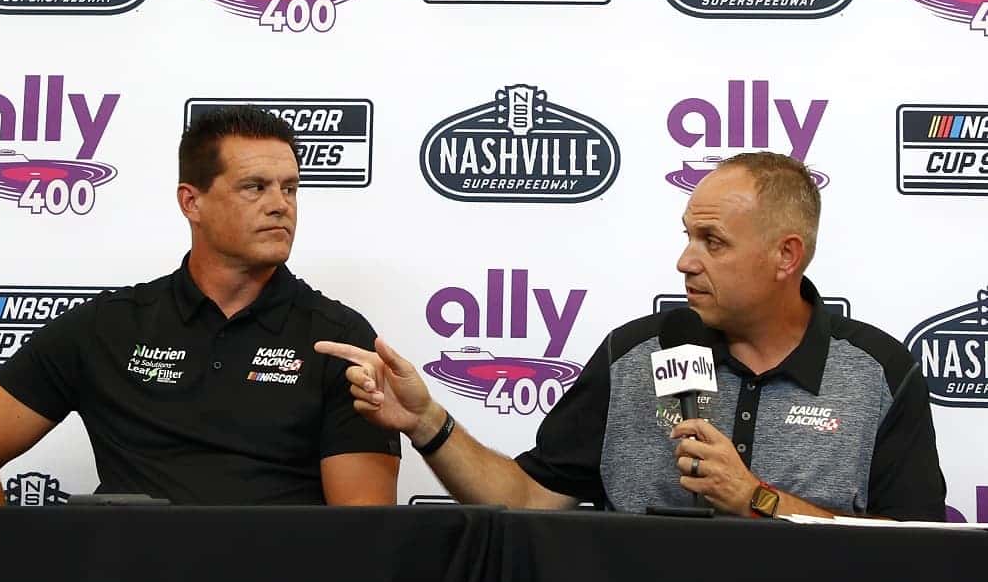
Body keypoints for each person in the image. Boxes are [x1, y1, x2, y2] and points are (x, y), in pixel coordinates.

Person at [319, 152, 946, 520]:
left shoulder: (877, 373)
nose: (685, 261)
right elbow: (528, 498)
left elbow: (911, 554)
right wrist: (428, 423)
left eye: (713, 242)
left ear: (787, 256)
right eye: (687, 236)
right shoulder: (637, 355)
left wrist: (756, 498)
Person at [0, 106, 400, 505]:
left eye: (290, 187)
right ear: (191, 202)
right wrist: (9, 574)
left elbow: (362, 535)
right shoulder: (107, 327)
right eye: (255, 187)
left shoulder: (339, 340)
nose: (281, 205)